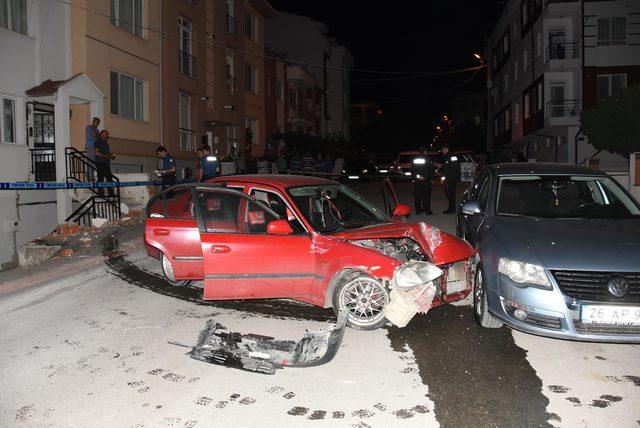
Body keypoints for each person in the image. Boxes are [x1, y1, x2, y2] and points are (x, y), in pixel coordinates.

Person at [411, 147, 435, 215]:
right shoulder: (428, 159)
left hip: (417, 181)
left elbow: (412, 171)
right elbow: (431, 170)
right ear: (425, 152)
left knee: (418, 196)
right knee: (426, 196)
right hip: (426, 181)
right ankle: (427, 210)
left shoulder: (414, 159)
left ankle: (418, 211)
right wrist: (431, 179)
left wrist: (418, 176)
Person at [93, 130, 115, 197]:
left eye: (107, 135)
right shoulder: (97, 142)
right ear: (102, 134)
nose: (106, 136)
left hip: (106, 163)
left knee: (109, 178)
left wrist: (111, 156)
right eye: (105, 134)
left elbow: (107, 153)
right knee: (101, 178)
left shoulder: (106, 143)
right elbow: (96, 152)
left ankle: (110, 193)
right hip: (100, 162)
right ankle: (101, 193)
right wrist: (107, 156)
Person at [440, 144, 460, 214]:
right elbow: (456, 167)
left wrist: (443, 178)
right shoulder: (452, 156)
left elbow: (446, 170)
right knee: (452, 194)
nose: (442, 151)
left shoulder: (448, 156)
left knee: (450, 194)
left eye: (442, 149)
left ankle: (451, 209)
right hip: (452, 178)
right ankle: (452, 208)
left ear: (446, 149)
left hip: (449, 179)